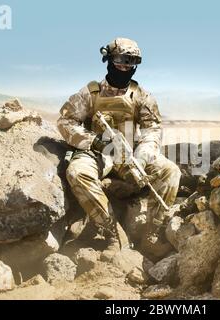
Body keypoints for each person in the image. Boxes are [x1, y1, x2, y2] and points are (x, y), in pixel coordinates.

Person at [57, 37, 181, 256]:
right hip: (97, 152)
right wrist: (94, 141)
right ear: (109, 59)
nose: (125, 66)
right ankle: (112, 233)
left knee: (170, 171)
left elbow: (153, 129)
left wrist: (142, 158)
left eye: (131, 62)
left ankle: (152, 235)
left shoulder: (141, 96)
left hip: (131, 153)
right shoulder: (90, 93)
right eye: (120, 60)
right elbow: (65, 122)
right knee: (77, 173)